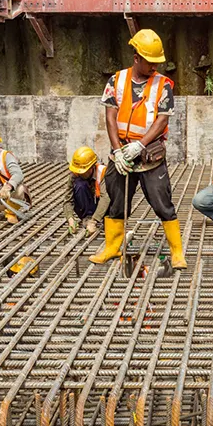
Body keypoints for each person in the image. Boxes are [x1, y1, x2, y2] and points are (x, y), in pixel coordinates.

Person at [89, 28, 186, 269]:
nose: (154, 66)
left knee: (162, 201)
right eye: (150, 62)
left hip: (149, 154)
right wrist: (118, 150)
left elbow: (162, 119)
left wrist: (139, 145)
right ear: (136, 58)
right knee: (116, 201)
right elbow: (110, 117)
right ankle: (112, 247)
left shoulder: (163, 85)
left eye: (157, 62)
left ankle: (176, 251)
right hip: (121, 153)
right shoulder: (116, 81)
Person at [65, 146, 109, 236]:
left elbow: (105, 198)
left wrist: (94, 221)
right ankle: (87, 217)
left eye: (83, 171)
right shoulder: (75, 173)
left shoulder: (103, 172)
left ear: (91, 167)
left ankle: (102, 220)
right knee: (80, 185)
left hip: (103, 207)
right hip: (87, 206)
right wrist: (70, 219)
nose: (80, 173)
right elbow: (68, 200)